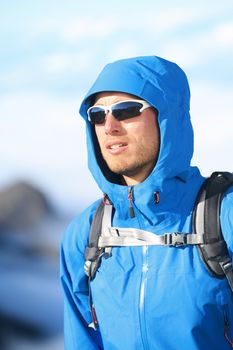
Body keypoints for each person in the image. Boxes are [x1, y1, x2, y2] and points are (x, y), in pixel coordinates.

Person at [60, 56, 233, 350]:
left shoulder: (224, 216)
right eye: (97, 115)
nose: (109, 126)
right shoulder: (86, 233)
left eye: (126, 111)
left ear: (168, 116)